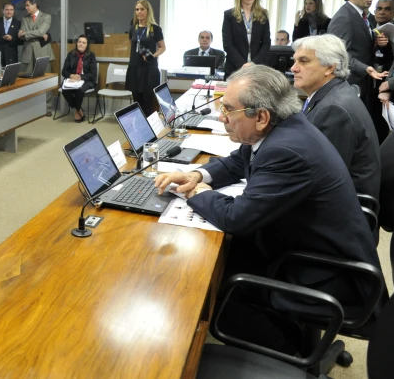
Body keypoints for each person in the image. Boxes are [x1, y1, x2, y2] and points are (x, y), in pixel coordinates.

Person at [153, 65, 380, 354]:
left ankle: (291, 354)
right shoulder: (283, 126)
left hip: (325, 273)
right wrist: (198, 175)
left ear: (260, 117)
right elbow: (238, 161)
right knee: (226, 259)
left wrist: (197, 193)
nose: (222, 118)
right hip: (309, 243)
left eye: (228, 110)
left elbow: (236, 218)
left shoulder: (285, 150)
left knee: (215, 291)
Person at [293, 34, 381, 199]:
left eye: (303, 61)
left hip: (340, 215)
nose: (294, 68)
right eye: (295, 60)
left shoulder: (334, 109)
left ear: (329, 68)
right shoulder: (331, 94)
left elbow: (322, 178)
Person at [328, 0, 389, 142]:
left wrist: (378, 44)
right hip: (351, 82)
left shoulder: (365, 16)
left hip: (363, 82)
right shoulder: (344, 17)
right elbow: (338, 53)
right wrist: (365, 68)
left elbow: (360, 47)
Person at [222, 0, 271, 78]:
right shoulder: (229, 15)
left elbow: (266, 43)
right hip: (234, 69)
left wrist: (253, 64)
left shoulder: (263, 14)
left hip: (257, 69)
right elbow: (227, 44)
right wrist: (243, 66)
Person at [125, 0, 165, 116]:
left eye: (142, 9)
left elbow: (162, 47)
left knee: (148, 103)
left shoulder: (155, 29)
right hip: (134, 68)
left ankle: (150, 129)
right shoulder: (133, 28)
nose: (139, 12)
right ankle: (140, 129)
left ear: (148, 11)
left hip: (149, 69)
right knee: (137, 103)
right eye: (137, 9)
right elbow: (131, 45)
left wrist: (153, 55)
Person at [61, 35, 97, 122]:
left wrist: (80, 77)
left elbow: (93, 74)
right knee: (64, 89)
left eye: (83, 43)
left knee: (79, 90)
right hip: (72, 80)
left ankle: (77, 111)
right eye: (79, 42)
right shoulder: (71, 54)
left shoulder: (91, 55)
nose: (81, 44)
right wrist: (71, 76)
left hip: (86, 80)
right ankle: (78, 109)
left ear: (87, 45)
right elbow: (64, 71)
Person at [19, 0, 53, 73]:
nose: (26, 8)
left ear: (34, 5)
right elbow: (21, 36)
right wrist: (39, 34)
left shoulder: (46, 17)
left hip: (42, 51)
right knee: (26, 79)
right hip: (28, 52)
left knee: (44, 78)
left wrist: (25, 33)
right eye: (25, 6)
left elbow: (41, 31)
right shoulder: (24, 18)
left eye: (28, 5)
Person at [372, 0, 394, 72]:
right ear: (375, 11)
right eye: (379, 9)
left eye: (387, 9)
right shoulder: (366, 26)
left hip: (388, 73)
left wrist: (384, 47)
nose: (382, 12)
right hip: (365, 73)